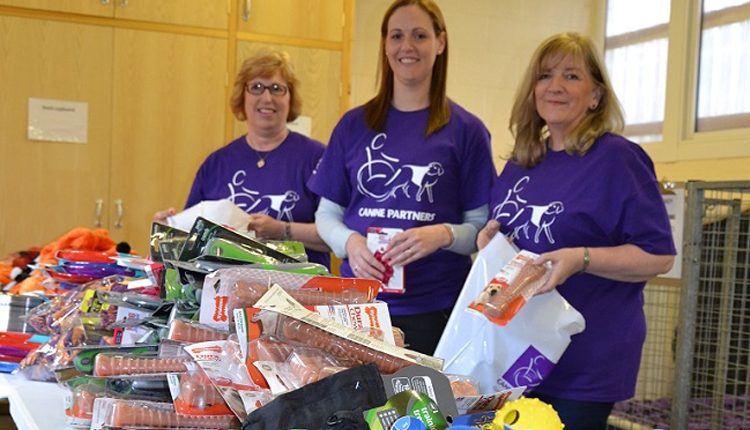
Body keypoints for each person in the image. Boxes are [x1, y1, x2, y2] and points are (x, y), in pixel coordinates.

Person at [476, 32, 675, 429]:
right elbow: (513, 245)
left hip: (585, 359)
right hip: (517, 354)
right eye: (545, 75)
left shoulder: (618, 159)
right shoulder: (522, 162)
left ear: (596, 95)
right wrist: (489, 246)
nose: (555, 87)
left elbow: (658, 255)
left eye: (571, 76)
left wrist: (581, 259)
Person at [308, 0, 495, 355]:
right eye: (396, 36)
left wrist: (442, 235)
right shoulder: (353, 125)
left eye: (419, 35)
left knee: (424, 410)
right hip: (358, 306)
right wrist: (351, 243)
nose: (406, 46)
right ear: (384, 45)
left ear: (440, 43)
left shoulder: (467, 131)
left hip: (436, 310)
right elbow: (325, 215)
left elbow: (479, 229)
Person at [154, 50, 330, 268]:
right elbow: (191, 242)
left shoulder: (318, 158)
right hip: (224, 296)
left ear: (290, 97)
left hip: (300, 294)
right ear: (242, 96)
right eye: (256, 87)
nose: (267, 98)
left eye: (277, 88)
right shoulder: (216, 164)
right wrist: (167, 229)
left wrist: (283, 230)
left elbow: (337, 236)